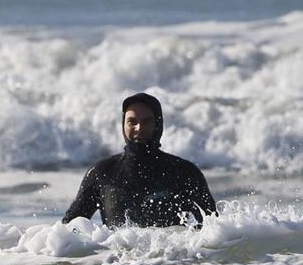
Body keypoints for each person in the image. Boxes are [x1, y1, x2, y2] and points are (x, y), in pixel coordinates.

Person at [62, 93, 216, 228]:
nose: (139, 128)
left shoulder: (184, 173)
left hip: (172, 261)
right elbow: (67, 232)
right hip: (115, 261)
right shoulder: (102, 173)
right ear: (123, 124)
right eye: (132, 122)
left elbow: (217, 234)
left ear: (158, 124)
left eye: (147, 121)